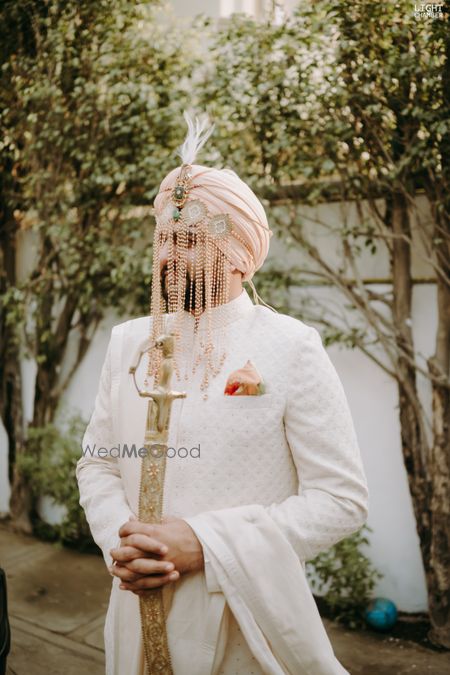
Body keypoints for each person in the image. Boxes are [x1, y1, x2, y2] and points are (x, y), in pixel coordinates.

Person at [76, 113, 369, 675]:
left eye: (187, 241)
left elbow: (341, 499)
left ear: (237, 252)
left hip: (242, 617)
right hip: (133, 605)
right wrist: (127, 544)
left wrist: (206, 544)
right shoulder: (128, 343)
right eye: (163, 239)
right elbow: (99, 463)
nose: (166, 256)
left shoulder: (290, 347)